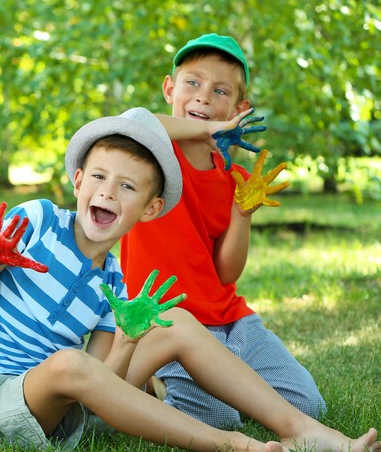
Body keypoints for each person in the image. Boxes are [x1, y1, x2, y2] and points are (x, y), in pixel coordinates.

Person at [0, 107, 378, 452]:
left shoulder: (114, 282)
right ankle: (232, 445)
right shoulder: (35, 219)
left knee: (176, 322)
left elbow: (101, 384)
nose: (108, 192)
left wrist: (129, 342)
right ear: (77, 182)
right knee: (67, 363)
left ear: (150, 209)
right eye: (98, 177)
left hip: (63, 408)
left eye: (127, 186)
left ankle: (300, 428)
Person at [119, 33, 326, 428]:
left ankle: (226, 382)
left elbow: (227, 272)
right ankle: (156, 381)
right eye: (192, 83)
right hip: (168, 322)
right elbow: (130, 122)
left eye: (219, 91)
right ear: (169, 89)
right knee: (219, 419)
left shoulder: (236, 180)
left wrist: (242, 213)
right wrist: (202, 131)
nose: (203, 97)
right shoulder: (151, 158)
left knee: (309, 406)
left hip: (230, 320)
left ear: (239, 107)